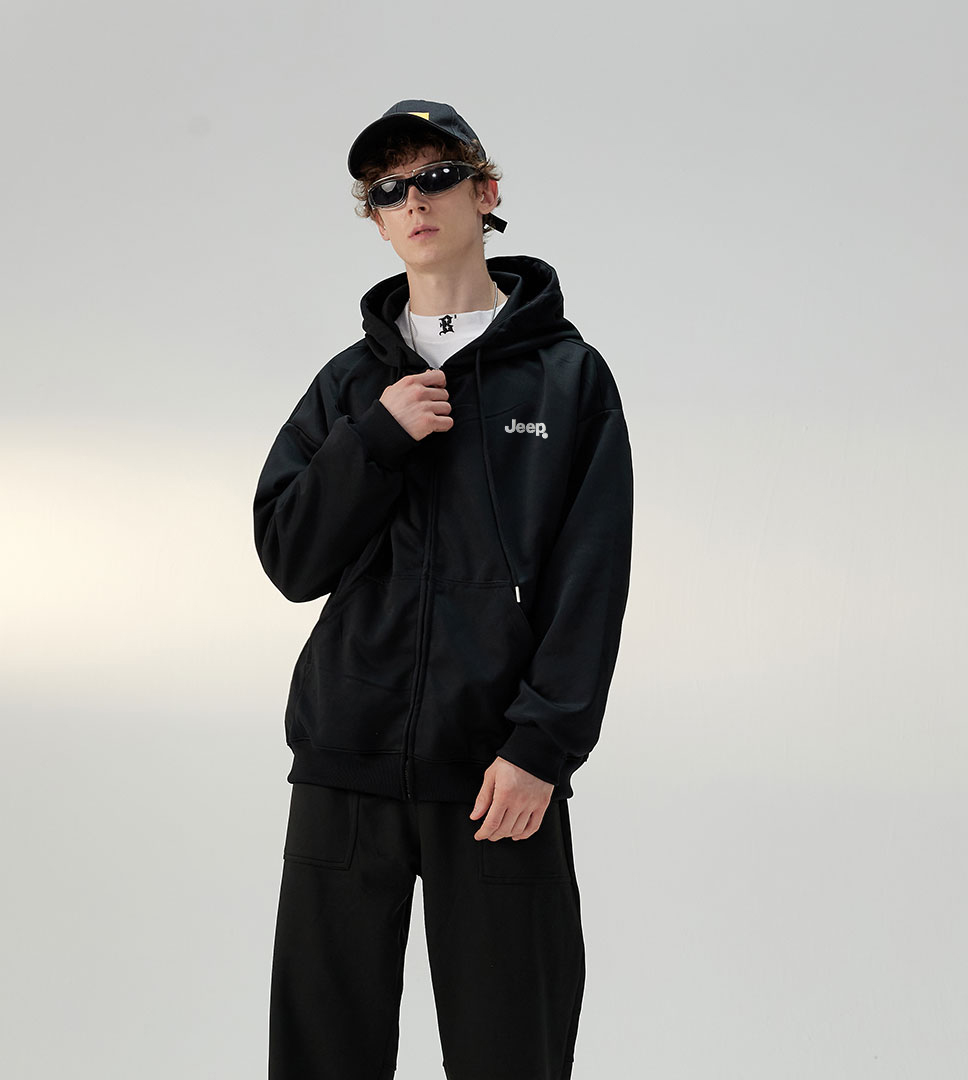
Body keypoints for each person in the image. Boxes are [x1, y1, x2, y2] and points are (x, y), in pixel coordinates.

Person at [254, 99, 633, 1080]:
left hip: (496, 772)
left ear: (485, 192)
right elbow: (290, 558)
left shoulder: (568, 381)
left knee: (513, 1050)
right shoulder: (352, 388)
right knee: (323, 1055)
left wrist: (542, 745)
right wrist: (374, 441)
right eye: (388, 190)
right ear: (377, 221)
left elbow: (590, 580)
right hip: (345, 763)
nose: (413, 201)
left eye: (435, 177)